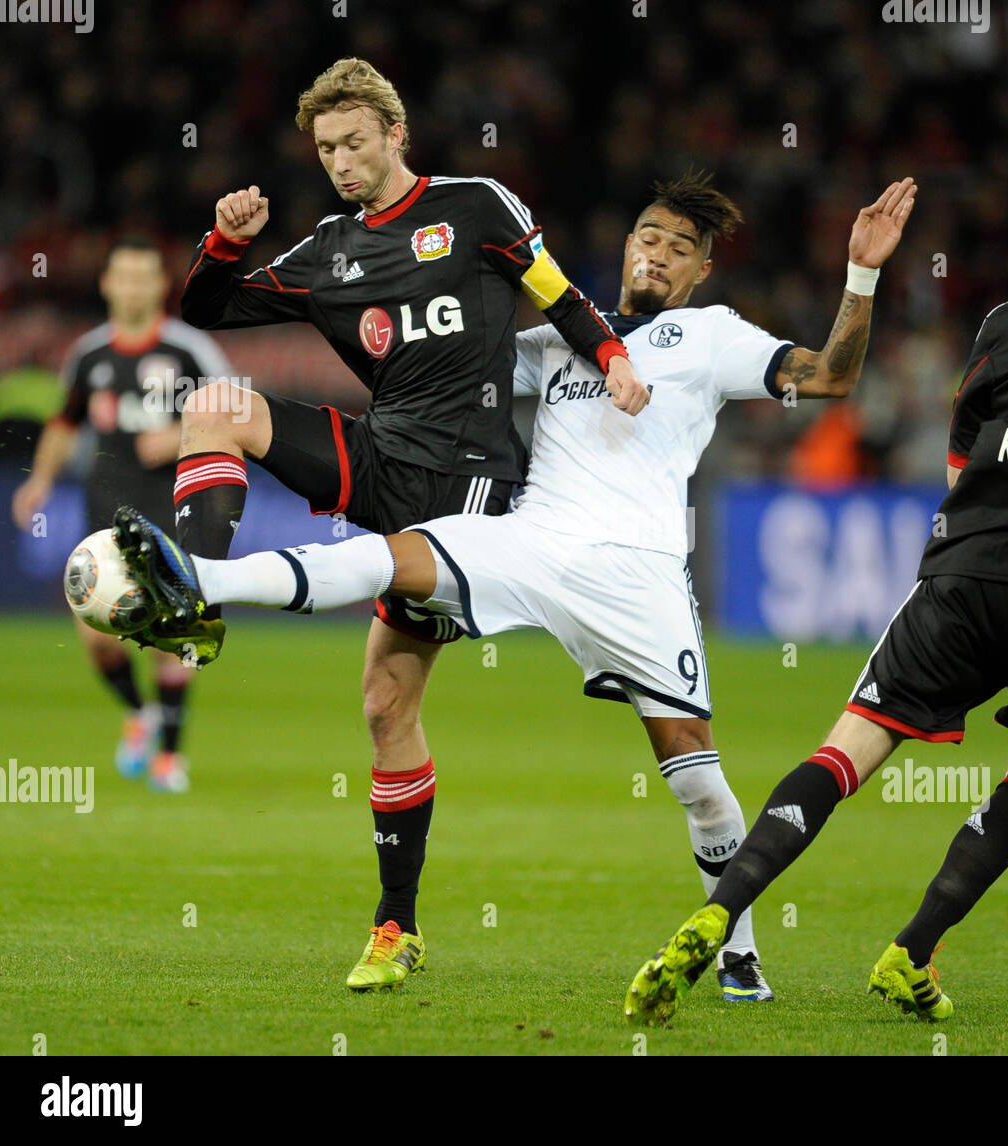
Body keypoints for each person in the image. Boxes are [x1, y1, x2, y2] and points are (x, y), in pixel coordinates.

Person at [113, 170, 917, 999]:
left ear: (700, 272)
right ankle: (204, 580)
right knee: (393, 558)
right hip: (529, 538)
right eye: (649, 237)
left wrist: (861, 275)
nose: (660, 255)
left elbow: (828, 377)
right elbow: (447, 371)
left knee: (698, 781)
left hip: (638, 575)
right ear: (626, 245)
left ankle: (740, 950)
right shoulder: (560, 338)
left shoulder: (713, 337)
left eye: (682, 249)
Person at [620, 160, 1008, 1026]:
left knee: (848, 751)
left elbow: (959, 467)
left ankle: (719, 913)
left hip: (968, 579)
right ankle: (913, 949)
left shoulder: (1007, 321)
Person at [137, 56, 643, 989]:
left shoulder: (477, 206)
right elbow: (204, 310)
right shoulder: (327, 251)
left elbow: (557, 293)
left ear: (396, 135)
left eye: (355, 142)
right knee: (214, 402)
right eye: (325, 147)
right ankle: (197, 599)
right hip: (378, 455)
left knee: (384, 705)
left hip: (467, 488)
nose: (339, 160)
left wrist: (609, 355)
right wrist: (223, 242)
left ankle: (395, 924)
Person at [13, 235, 233, 793]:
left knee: (174, 632)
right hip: (104, 509)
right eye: (124, 277)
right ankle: (140, 713)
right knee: (96, 635)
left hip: (173, 508)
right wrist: (38, 481)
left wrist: (183, 435)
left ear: (161, 285)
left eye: (145, 277)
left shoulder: (188, 351)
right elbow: (65, 422)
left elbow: (237, 412)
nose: (134, 287)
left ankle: (170, 759)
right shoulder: (89, 354)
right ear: (107, 284)